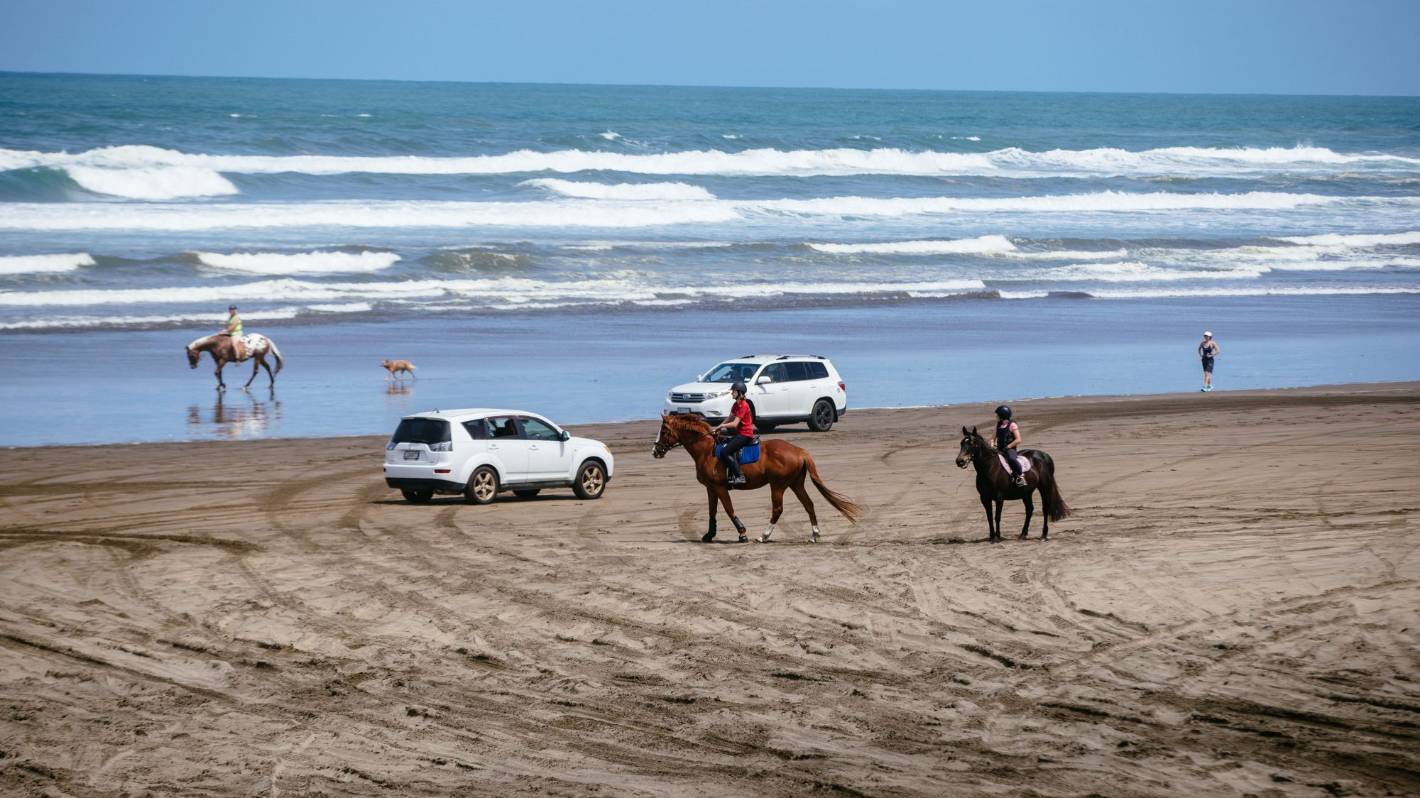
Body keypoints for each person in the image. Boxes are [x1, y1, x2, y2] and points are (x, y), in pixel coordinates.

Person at [711, 381, 754, 485]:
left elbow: (734, 424)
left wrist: (722, 426)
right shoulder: (736, 404)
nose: (731, 393)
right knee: (723, 443)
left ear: (739, 392)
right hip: (739, 434)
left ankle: (740, 476)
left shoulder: (744, 405)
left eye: (733, 392)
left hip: (746, 435)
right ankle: (730, 476)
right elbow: (729, 417)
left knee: (724, 452)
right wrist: (718, 428)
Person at [993, 405, 1026, 487]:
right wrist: (991, 445)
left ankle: (1020, 476)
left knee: (1011, 459)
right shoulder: (998, 425)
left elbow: (1018, 439)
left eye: (997, 415)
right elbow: (992, 438)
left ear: (1002, 415)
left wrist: (1008, 447)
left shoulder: (1012, 425)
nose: (996, 416)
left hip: (1010, 449)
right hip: (999, 449)